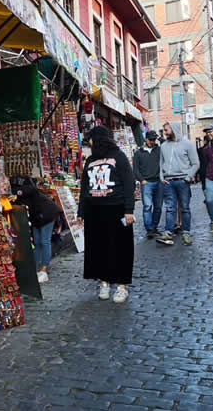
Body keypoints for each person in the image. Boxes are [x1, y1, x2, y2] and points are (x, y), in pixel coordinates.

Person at [78, 126, 135, 303]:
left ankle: (121, 285)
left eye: (91, 139)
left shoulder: (118, 156)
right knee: (98, 248)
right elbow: (84, 188)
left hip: (116, 208)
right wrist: (81, 212)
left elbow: (128, 183)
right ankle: (104, 281)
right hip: (95, 210)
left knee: (121, 248)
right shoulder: (90, 160)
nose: (90, 143)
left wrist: (129, 210)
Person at [158, 121, 200, 246]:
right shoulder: (164, 146)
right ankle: (168, 232)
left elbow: (196, 163)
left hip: (182, 181)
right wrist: (161, 177)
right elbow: (160, 164)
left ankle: (186, 232)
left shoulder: (187, 144)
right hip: (168, 182)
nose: (164, 133)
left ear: (174, 129)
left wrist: (188, 177)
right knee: (170, 208)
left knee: (185, 208)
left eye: (166, 130)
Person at [13, 176, 61, 284]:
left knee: (44, 241)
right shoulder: (22, 195)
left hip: (47, 215)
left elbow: (31, 190)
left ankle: (44, 270)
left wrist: (16, 191)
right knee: (37, 242)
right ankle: (34, 269)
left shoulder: (28, 191)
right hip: (37, 218)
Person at [133, 131, 163, 238]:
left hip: (159, 182)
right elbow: (135, 169)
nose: (152, 142)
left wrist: (159, 139)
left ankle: (154, 227)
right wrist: (142, 180)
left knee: (158, 206)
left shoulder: (159, 150)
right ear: (145, 139)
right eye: (150, 139)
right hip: (147, 183)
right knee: (147, 206)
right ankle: (149, 229)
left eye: (154, 140)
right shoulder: (138, 153)